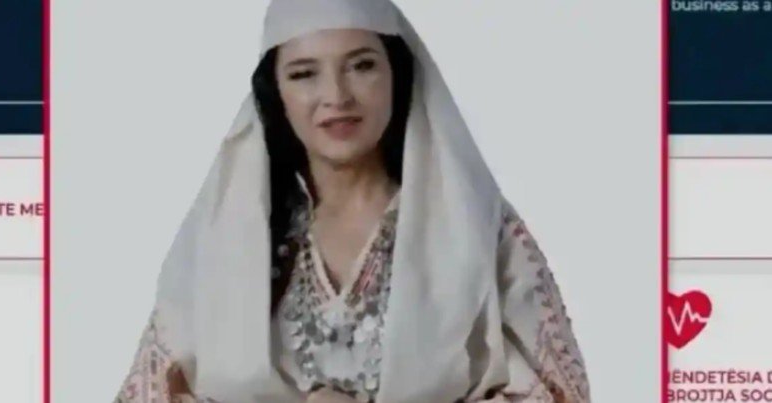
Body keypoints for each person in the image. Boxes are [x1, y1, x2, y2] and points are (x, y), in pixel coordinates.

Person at [114, 1, 590, 402]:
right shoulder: (224, 236)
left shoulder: (477, 226)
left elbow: (558, 391)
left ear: (396, 74)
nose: (336, 96)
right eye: (304, 74)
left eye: (361, 66)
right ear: (275, 91)